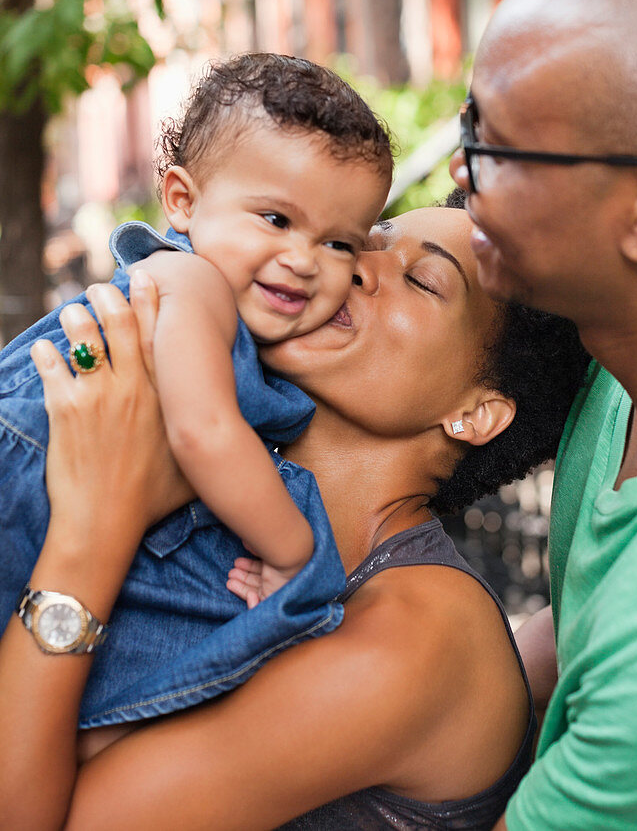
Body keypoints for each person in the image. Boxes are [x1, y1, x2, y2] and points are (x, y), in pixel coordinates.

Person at [0, 200, 589, 830]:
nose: (359, 266)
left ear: (475, 411)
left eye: (422, 280)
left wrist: (89, 534)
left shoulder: (420, 637)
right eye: (367, 239)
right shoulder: (219, 500)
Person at [0, 52, 392, 730]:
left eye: (338, 244)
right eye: (275, 219)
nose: (302, 260)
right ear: (182, 200)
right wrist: (293, 549)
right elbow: (202, 431)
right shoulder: (192, 282)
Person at [449, 0, 637, 830]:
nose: (460, 170)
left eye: (493, 145)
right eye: (467, 125)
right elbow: (579, 632)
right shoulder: (629, 353)